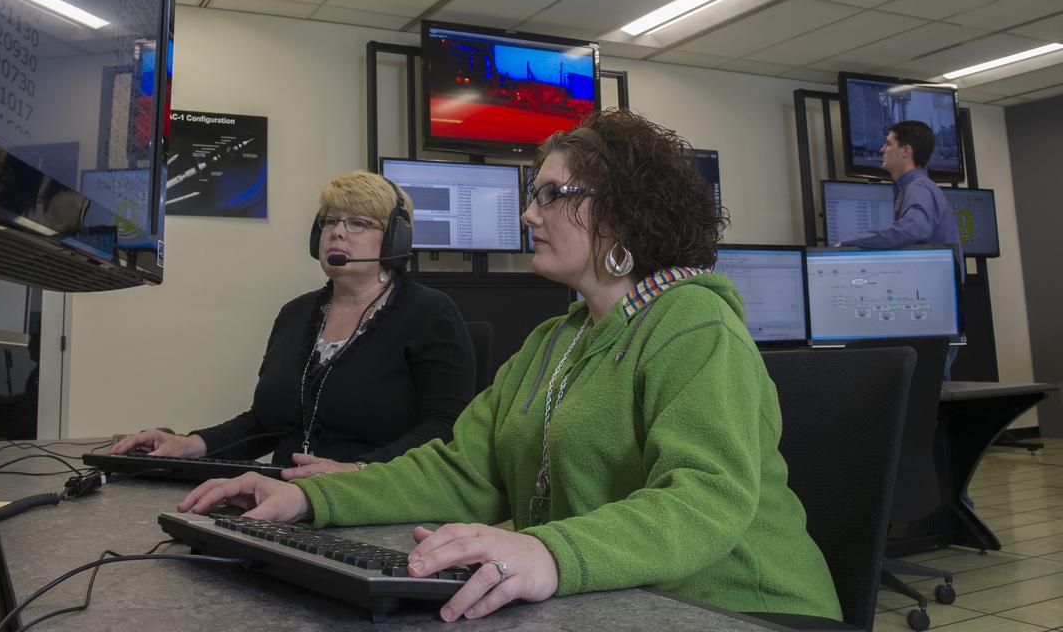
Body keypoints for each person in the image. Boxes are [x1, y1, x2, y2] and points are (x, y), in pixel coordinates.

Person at [179, 110, 842, 624]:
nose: (529, 213)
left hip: (742, 610)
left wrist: (550, 551)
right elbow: (463, 469)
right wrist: (309, 496)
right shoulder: (554, 341)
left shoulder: (694, 323)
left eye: (551, 194)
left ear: (620, 210)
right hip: (618, 599)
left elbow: (707, 499)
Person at [110, 171, 475, 475]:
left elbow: (443, 428)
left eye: (358, 223)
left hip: (374, 499)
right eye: (330, 221)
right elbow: (265, 423)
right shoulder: (296, 314)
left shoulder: (430, 313)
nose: (337, 231)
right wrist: (191, 444)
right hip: (284, 496)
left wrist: (360, 470)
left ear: (396, 238)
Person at [838, 120, 964, 377]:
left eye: (888, 144)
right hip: (936, 310)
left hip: (934, 313)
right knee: (929, 397)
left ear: (906, 151)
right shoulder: (915, 188)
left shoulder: (917, 188)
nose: (882, 149)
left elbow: (913, 229)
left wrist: (855, 242)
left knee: (927, 398)